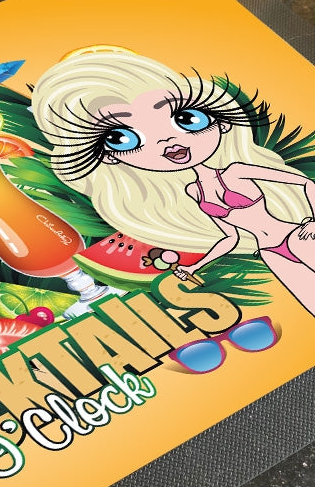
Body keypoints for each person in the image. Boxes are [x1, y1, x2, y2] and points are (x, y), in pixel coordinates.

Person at [30, 47, 315, 316]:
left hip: (297, 235)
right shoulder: (193, 191)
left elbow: (306, 184)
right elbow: (231, 237)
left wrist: (311, 221)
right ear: (110, 157)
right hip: (269, 251)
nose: (167, 139)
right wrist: (196, 267)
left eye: (186, 118)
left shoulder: (237, 171)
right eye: (122, 138)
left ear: (221, 121)